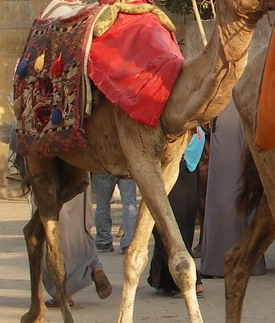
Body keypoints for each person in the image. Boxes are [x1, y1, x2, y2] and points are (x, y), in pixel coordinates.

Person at [198, 101, 265, 279]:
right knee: (234, 191)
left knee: (227, 193)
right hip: (234, 114)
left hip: (231, 115)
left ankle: (221, 263)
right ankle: (242, 261)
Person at [147, 130, 207, 297]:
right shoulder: (196, 126)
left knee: (163, 225)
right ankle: (169, 281)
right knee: (180, 225)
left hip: (175, 160)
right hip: (188, 161)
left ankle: (192, 280)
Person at [40, 187, 113, 308]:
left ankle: (62, 293)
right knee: (81, 227)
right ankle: (94, 267)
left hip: (52, 182)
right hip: (81, 180)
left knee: (54, 233)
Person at [93, 173, 137, 253]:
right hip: (125, 167)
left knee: (102, 206)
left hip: (104, 168)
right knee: (129, 205)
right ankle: (129, 242)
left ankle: (104, 241)